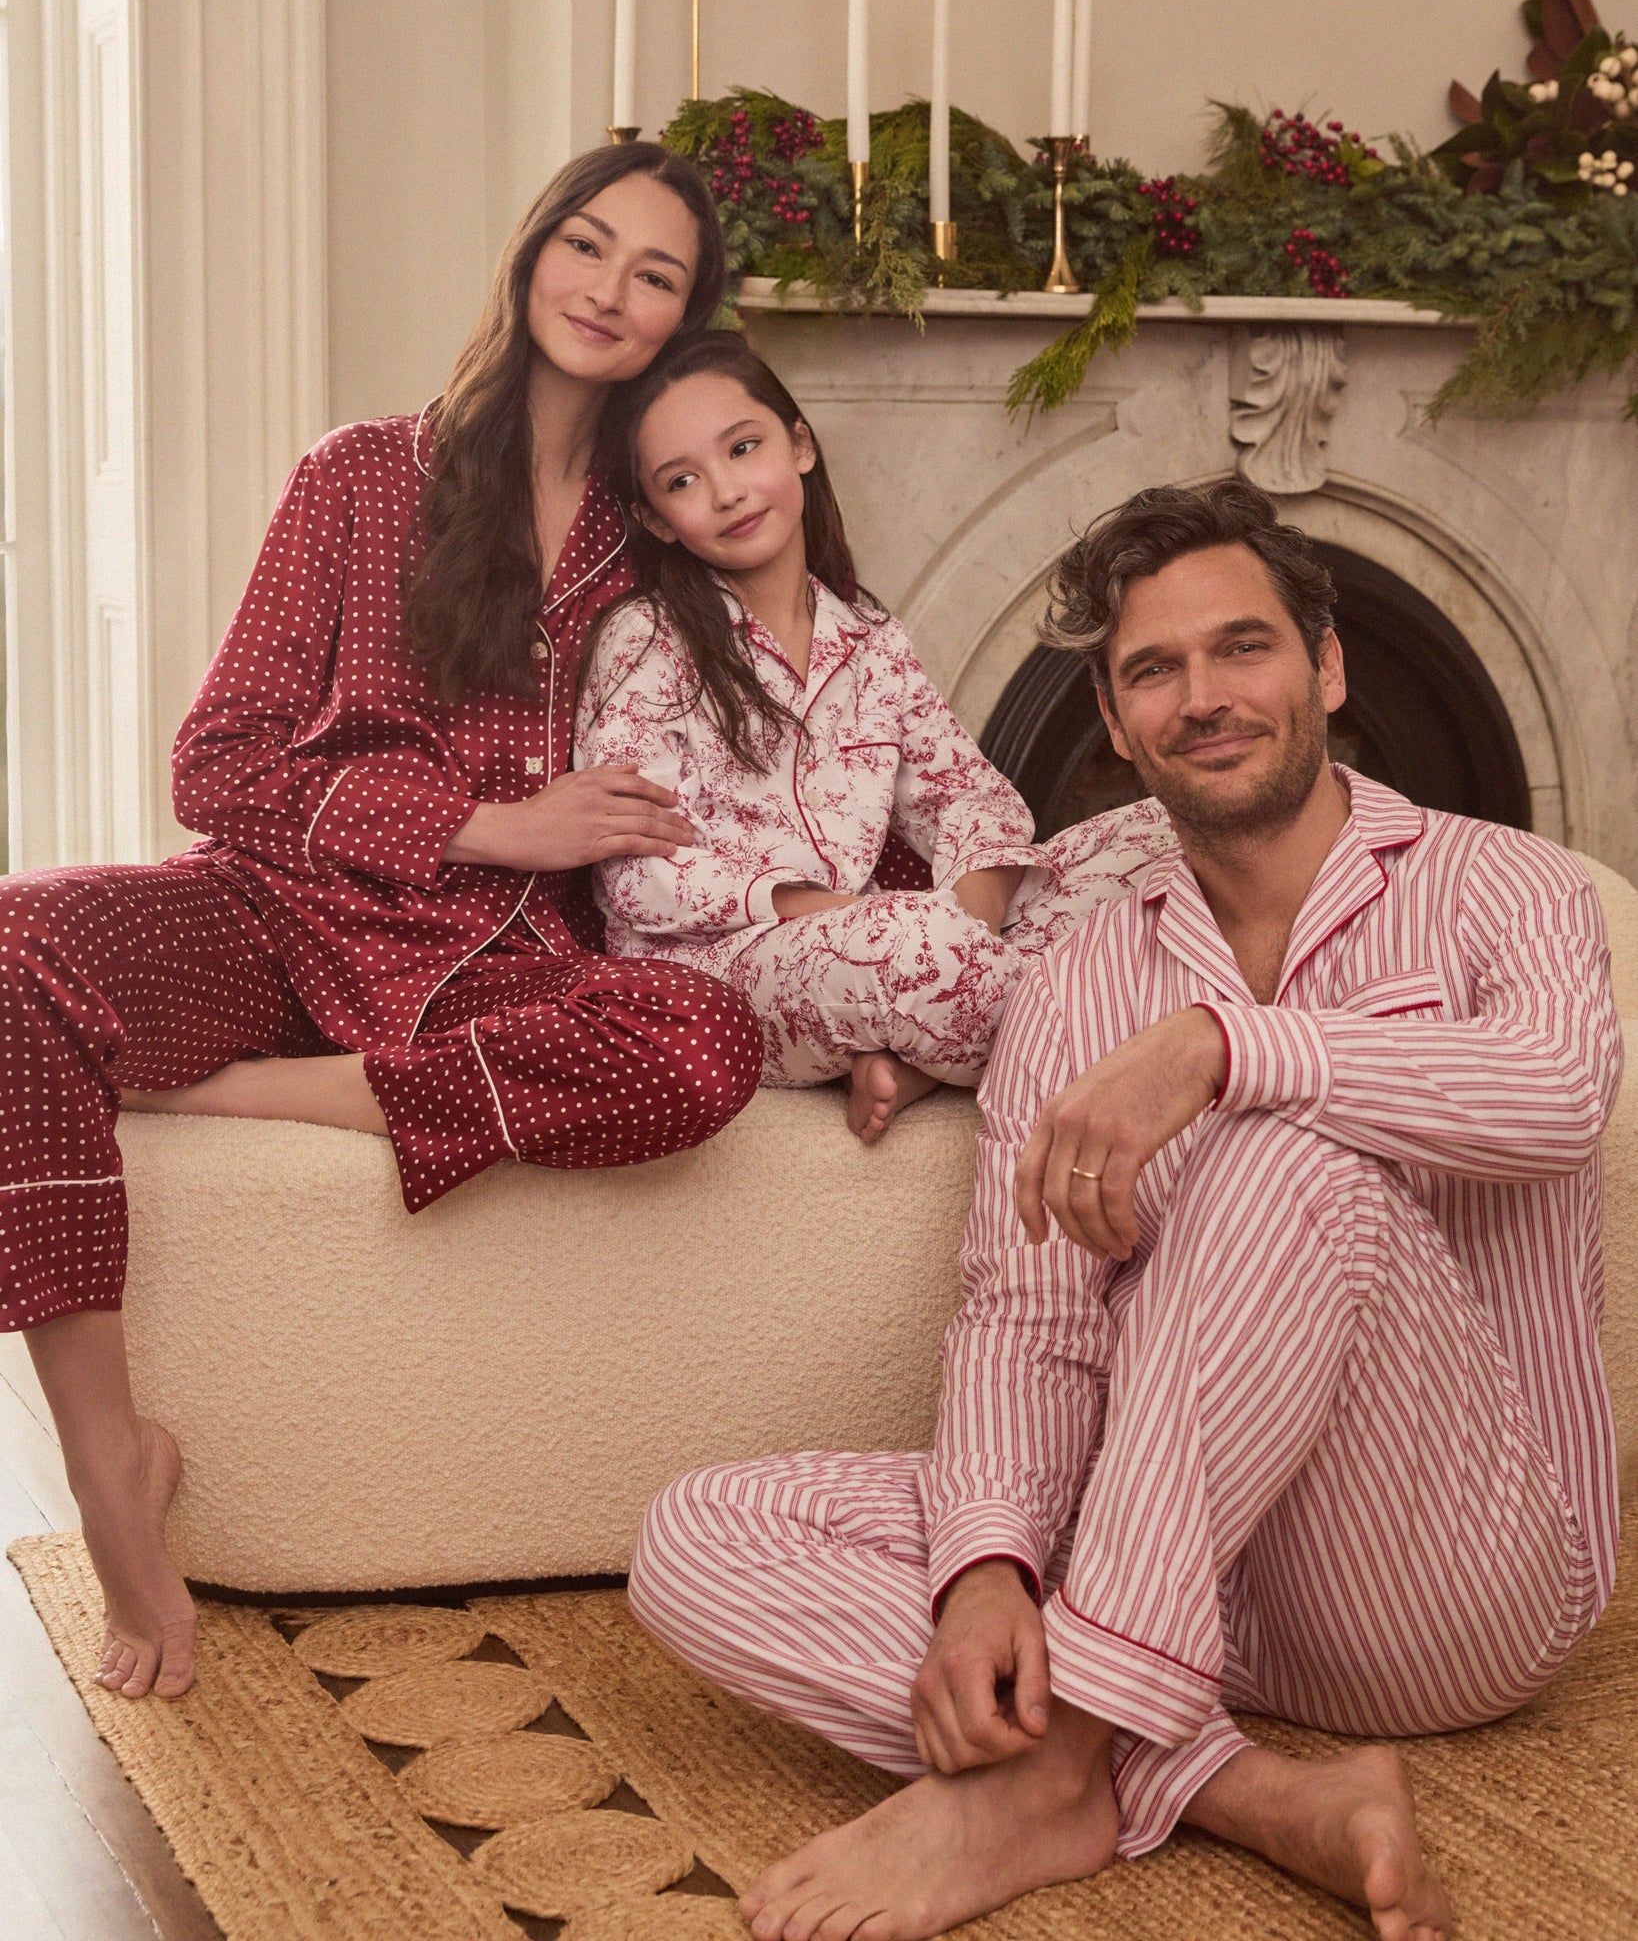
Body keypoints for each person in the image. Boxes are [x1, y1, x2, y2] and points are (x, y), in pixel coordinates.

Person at [627, 479, 1621, 1941]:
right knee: (704, 1533)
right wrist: (984, 1568)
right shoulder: (1083, 973)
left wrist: (1223, 1048)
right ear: (1111, 715)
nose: (1202, 696)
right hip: (1173, 1574)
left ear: (1326, 666)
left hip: (1441, 1581)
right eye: (1154, 669)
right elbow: (1026, 1318)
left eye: (1242, 648)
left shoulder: (1506, 886)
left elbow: (1556, 1095)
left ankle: (1058, 1767)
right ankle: (1240, 1786)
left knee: (1282, 1152)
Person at [0, 142, 766, 1704]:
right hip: (277, 915)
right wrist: (486, 823)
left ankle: (221, 1092)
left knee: (703, 1042)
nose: (607, 291)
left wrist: (898, 974)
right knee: (15, 940)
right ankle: (104, 1461)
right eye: (587, 245)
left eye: (655, 276)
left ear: (684, 320)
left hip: (497, 969)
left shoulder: (666, 525)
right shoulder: (359, 477)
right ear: (531, 248)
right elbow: (217, 767)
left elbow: (808, 737)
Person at [574, 330, 1175, 1140]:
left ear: (800, 446)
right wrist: (834, 913)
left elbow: (970, 795)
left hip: (876, 943)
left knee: (1158, 840)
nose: (726, 491)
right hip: (712, 972)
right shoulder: (645, 639)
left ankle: (925, 1059)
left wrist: (969, 921)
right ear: (657, 518)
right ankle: (1133, 1026)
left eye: (743, 448)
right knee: (916, 940)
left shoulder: (870, 639)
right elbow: (632, 870)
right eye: (683, 480)